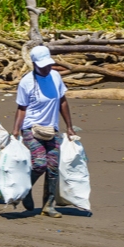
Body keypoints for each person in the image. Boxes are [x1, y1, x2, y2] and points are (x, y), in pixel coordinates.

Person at [11, 45, 76, 217]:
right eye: (43, 66)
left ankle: (48, 205)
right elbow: (22, 108)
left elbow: (62, 101)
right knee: (39, 164)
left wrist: (69, 126)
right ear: (34, 64)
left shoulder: (55, 77)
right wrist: (16, 130)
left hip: (50, 129)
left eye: (48, 64)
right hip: (31, 129)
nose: (47, 68)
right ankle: (25, 190)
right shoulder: (27, 82)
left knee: (53, 167)